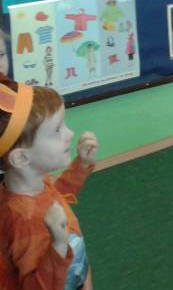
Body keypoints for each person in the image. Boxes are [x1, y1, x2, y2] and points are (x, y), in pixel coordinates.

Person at [0, 75, 100, 289]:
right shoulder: (24, 222)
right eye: (56, 130)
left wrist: (80, 165)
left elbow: (55, 199)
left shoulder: (35, 183)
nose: (70, 133)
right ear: (21, 158)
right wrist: (58, 243)